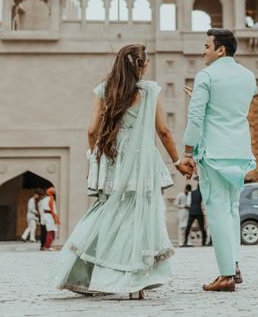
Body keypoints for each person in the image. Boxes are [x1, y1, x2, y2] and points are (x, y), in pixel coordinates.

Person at [50, 44, 182, 300]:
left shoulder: (105, 90)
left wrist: (94, 158)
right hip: (142, 164)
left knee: (105, 214)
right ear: (140, 66)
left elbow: (91, 131)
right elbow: (163, 131)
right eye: (146, 63)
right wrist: (177, 161)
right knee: (139, 219)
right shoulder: (150, 91)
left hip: (113, 161)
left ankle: (80, 273)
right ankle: (136, 282)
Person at [177, 28, 256, 292]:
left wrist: (187, 153)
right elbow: (230, 108)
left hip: (215, 152)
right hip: (240, 149)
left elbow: (196, 117)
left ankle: (225, 276)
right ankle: (233, 265)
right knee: (232, 209)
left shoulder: (206, 76)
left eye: (207, 45)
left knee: (218, 210)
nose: (203, 50)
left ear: (220, 49)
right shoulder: (248, 76)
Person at [183, 182, 207, 248]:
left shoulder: (191, 193)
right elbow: (204, 203)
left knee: (188, 227)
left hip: (192, 211)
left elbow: (188, 203)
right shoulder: (202, 193)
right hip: (199, 211)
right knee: (202, 227)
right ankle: (203, 242)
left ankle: (185, 241)